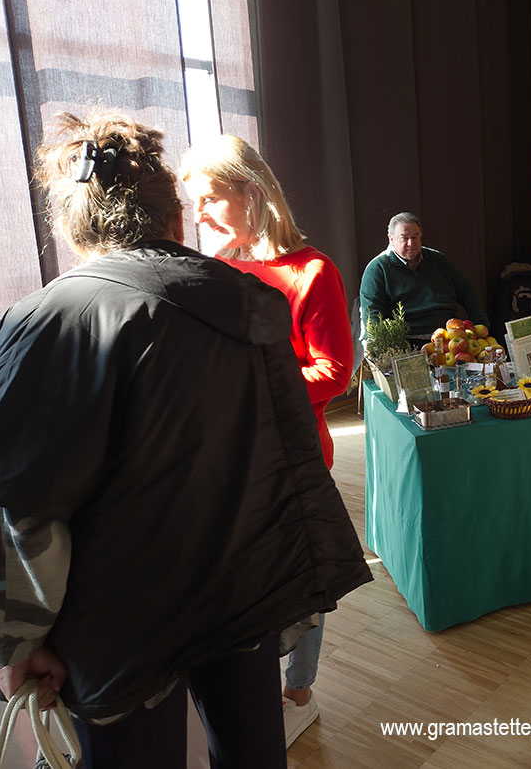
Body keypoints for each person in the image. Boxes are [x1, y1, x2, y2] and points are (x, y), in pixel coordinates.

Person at [0, 110, 371, 766]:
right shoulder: (248, 303)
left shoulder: (46, 322)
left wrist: (20, 640)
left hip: (122, 624)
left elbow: (24, 505)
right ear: (174, 218)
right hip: (245, 587)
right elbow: (287, 456)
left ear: (72, 227)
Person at [180, 134, 354, 747]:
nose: (199, 215)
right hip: (229, 458)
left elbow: (335, 371)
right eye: (194, 203)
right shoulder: (214, 271)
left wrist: (250, 389)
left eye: (209, 199)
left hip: (293, 455)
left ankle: (299, 690)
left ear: (251, 193)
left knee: (304, 579)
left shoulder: (312, 271)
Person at [360, 212, 489, 341]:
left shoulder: (438, 260)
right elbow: (372, 316)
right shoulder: (377, 269)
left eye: (415, 237)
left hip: (449, 338)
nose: (411, 243)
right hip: (407, 343)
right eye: (404, 238)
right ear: (391, 239)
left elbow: (467, 291)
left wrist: (481, 325)